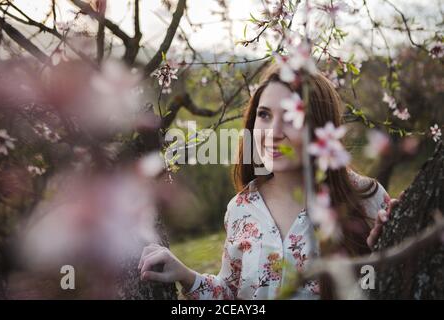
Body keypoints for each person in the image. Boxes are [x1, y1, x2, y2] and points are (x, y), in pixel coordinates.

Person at [138, 63, 397, 299]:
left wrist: (383, 254)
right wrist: (187, 276)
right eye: (264, 115)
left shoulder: (366, 199)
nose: (273, 133)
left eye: (291, 117)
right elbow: (231, 293)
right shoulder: (241, 208)